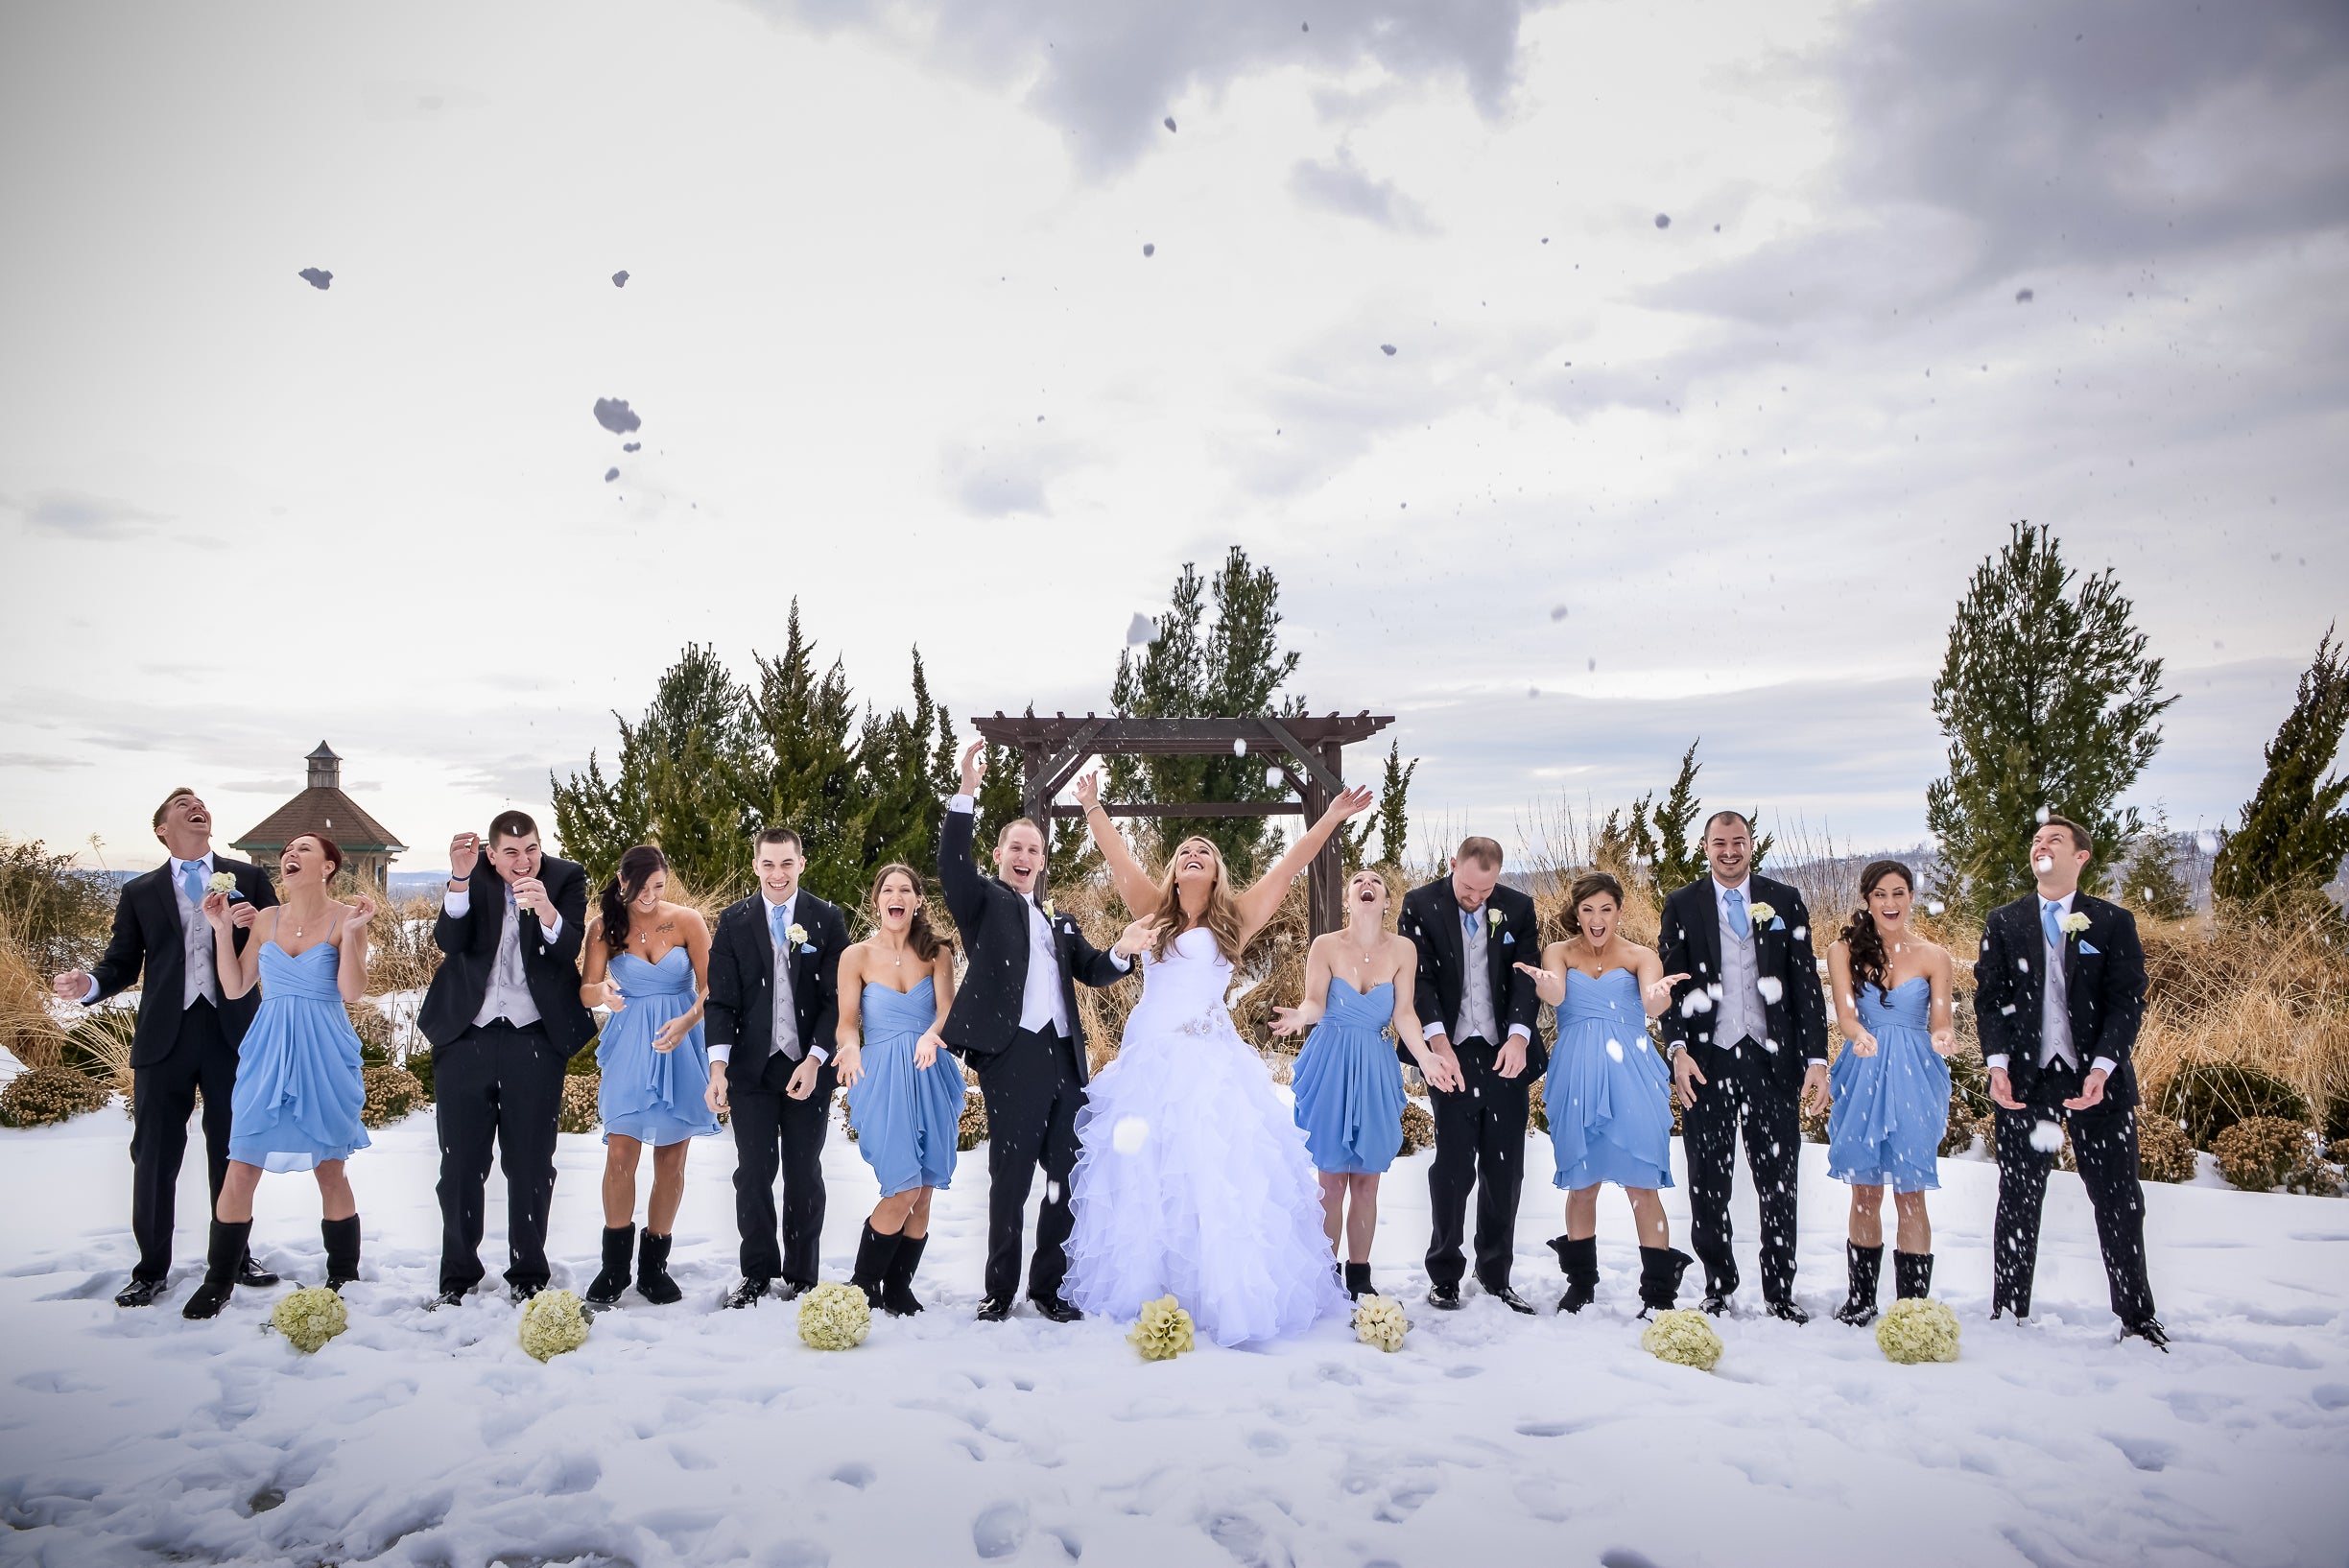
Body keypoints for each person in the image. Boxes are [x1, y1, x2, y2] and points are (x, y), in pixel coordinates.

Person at [1060, 768, 1373, 1347]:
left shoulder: (1236, 919)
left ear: (1216, 870)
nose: (1194, 854)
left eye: (1204, 851)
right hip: (1150, 1053)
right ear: (1175, 870)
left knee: (1213, 1168)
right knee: (1148, 1169)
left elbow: (1289, 866)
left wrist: (1330, 817)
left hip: (1209, 1058)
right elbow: (1119, 858)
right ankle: (1149, 1285)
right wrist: (1093, 807)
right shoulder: (1152, 910)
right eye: (1185, 850)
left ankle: (1216, 1290)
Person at [52, 787, 280, 1308]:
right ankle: (151, 1269)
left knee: (234, 1151)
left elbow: (281, 939)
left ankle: (234, 1258)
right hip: (164, 1038)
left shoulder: (247, 878)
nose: (196, 806)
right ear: (162, 829)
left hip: (233, 1033)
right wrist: (89, 983)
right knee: (154, 1154)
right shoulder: (140, 892)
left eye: (200, 802)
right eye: (182, 804)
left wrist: (257, 928)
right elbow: (122, 962)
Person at [936, 744, 1133, 1323]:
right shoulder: (984, 902)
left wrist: (1123, 950)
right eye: (1015, 848)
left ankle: (1049, 1288)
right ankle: (999, 1290)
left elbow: (1093, 970)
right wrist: (966, 791)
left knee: (1064, 1176)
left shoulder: (1059, 920)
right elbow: (952, 863)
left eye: (1033, 850)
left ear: (1043, 861)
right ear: (999, 855)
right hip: (1012, 1054)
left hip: (1065, 1059)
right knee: (1011, 1178)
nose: (1024, 856)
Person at [1974, 814, 2164, 1347]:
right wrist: (1997, 1066)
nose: (2042, 844)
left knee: (2119, 1199)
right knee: (2018, 1195)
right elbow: (1989, 999)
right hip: (2026, 1082)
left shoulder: (2112, 922)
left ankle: (2137, 1317)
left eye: (2054, 839)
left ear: (2081, 856)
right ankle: (2009, 1311)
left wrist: (2103, 1067)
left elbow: (2126, 1003)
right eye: (2037, 839)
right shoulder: (2004, 921)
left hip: (2096, 1083)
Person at [182, 833, 374, 1319]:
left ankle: (344, 1274)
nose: (291, 854)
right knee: (241, 1164)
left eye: (304, 849)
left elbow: (351, 991)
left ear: (328, 867)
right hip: (268, 1049)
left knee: (329, 1166)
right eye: (288, 850)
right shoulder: (265, 919)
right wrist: (220, 930)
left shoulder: (346, 917)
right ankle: (219, 1279)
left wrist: (355, 935)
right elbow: (235, 986)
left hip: (323, 1050)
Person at [417, 811, 596, 1306]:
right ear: (490, 854)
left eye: (531, 849)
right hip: (465, 1037)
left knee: (532, 1163)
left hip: (534, 1038)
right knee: (459, 1166)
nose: (523, 861)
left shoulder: (565, 877)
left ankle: (529, 1275)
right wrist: (457, 880)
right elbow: (449, 942)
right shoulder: (470, 875)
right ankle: (458, 1277)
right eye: (511, 853)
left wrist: (546, 911)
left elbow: (568, 948)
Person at [1658, 810, 1831, 1320]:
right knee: (1708, 1179)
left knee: (1778, 1180)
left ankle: (1780, 1290)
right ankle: (1718, 1284)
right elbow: (1672, 987)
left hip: (1772, 1060)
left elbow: (1805, 983)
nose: (1729, 851)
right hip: (1707, 1061)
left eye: (1738, 842)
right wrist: (1677, 1050)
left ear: (1751, 845)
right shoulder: (1682, 904)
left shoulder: (1784, 900)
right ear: (1705, 847)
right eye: (1720, 843)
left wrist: (1816, 1058)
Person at [1270, 867, 1461, 1300]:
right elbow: (1315, 1002)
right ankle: (1324, 1274)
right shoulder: (1325, 946)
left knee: (1367, 1181)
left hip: (1374, 1065)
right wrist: (1300, 1016)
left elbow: (1405, 1013)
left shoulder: (1404, 950)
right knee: (1331, 1181)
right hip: (1331, 1062)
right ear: (1348, 899)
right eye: (1358, 880)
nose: (1367, 884)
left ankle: (1359, 1275)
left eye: (1375, 881)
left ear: (1387, 901)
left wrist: (1425, 1056)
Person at [1512, 871, 1693, 1317]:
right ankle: (1581, 1284)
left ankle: (1658, 1294)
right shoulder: (1558, 952)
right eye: (1588, 909)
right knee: (1581, 1185)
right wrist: (1542, 981)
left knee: (1643, 1186)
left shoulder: (1640, 956)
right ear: (1577, 912)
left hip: (1632, 1077)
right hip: (1576, 1074)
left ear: (1619, 911)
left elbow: (1652, 1004)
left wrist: (1662, 993)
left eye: (1606, 909)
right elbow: (1555, 993)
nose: (1597, 919)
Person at [704, 827, 852, 1309]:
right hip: (751, 1070)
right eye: (768, 864)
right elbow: (721, 1001)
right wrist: (718, 1069)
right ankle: (757, 1273)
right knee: (753, 1173)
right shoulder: (733, 921)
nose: (777, 874)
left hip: (808, 1066)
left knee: (804, 1174)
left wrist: (814, 1059)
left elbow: (836, 1001)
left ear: (801, 863)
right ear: (756, 866)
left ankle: (803, 1276)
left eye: (786, 863)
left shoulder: (826, 918)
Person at [1400, 838, 1545, 1313]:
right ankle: (1445, 1274)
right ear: (1452, 865)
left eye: (1485, 891)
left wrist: (1519, 1037)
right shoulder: (1420, 904)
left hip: (1506, 1055)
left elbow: (1526, 976)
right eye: (1467, 887)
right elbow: (1418, 979)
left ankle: (1495, 1273)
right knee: (1453, 1168)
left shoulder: (1518, 908)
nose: (1475, 897)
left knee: (1506, 1169)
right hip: (1450, 1053)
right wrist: (1438, 1045)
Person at [578, 844, 718, 1309]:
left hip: (682, 1041)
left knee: (672, 1160)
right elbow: (585, 990)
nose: (651, 896)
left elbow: (711, 988)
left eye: (659, 886)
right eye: (642, 887)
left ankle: (654, 1268)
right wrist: (602, 992)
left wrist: (687, 1022)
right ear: (622, 881)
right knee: (621, 1152)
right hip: (631, 1043)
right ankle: (614, 1267)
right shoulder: (603, 927)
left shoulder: (687, 921)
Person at [1824, 859, 1957, 1325]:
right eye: (1880, 894)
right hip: (1864, 1069)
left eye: (1899, 893)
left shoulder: (1935, 956)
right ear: (1867, 900)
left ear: (1912, 897)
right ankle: (1861, 1300)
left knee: (1911, 1193)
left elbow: (1941, 1021)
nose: (1890, 902)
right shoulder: (1842, 951)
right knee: (1865, 1192)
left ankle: (1912, 1310)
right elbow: (1845, 1015)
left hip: (1916, 1077)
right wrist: (1858, 1033)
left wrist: (1944, 1037)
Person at [838, 863, 962, 1316]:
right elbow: (846, 1024)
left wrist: (931, 1035)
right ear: (877, 901)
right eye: (888, 889)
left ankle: (898, 1288)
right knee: (903, 1187)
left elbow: (947, 1011)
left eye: (906, 890)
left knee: (924, 1190)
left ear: (918, 900)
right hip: (884, 1077)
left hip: (931, 1072)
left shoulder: (937, 953)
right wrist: (850, 1049)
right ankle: (863, 1284)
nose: (897, 896)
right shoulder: (856, 956)